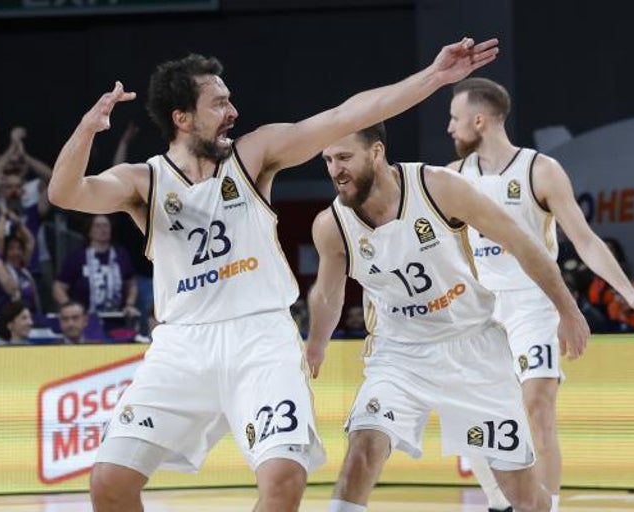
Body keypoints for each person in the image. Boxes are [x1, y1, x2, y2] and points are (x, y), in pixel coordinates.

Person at [47, 36, 499, 512]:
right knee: (108, 484)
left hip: (260, 337)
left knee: (284, 478)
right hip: (182, 344)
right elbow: (65, 192)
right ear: (182, 118)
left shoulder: (252, 155)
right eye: (219, 103)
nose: (233, 111)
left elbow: (345, 116)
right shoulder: (144, 180)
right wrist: (87, 129)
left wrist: (434, 76)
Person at [305, 124, 588, 512]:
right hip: (399, 355)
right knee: (362, 450)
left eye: (344, 157)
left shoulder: (437, 187)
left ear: (376, 153)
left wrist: (567, 309)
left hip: (473, 347)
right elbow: (326, 293)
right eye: (328, 160)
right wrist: (315, 344)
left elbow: (522, 242)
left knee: (522, 496)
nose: (335, 169)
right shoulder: (332, 225)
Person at [446, 77, 634, 511]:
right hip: (481, 308)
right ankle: (499, 502)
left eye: (454, 118)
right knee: (476, 420)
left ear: (479, 121)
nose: (449, 128)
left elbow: (585, 240)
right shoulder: (451, 178)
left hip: (533, 302)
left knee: (537, 408)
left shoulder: (540, 170)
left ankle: (548, 506)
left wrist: (627, 292)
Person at [54, 214, 138, 338]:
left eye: (106, 226)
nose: (102, 230)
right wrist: (70, 308)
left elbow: (131, 284)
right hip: (85, 323)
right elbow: (58, 287)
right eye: (98, 226)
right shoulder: (78, 256)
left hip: (116, 320)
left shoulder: (120, 254)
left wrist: (129, 304)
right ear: (89, 231)